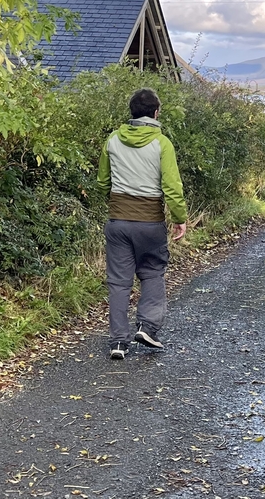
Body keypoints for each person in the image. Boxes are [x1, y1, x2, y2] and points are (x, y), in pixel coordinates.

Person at [97, 88, 187, 360]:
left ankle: (118, 342)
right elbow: (172, 187)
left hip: (118, 222)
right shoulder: (162, 143)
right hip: (150, 223)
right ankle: (147, 327)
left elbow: (103, 182)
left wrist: (116, 203)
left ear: (132, 112)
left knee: (119, 282)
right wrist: (180, 218)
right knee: (152, 272)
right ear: (156, 112)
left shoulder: (112, 140)